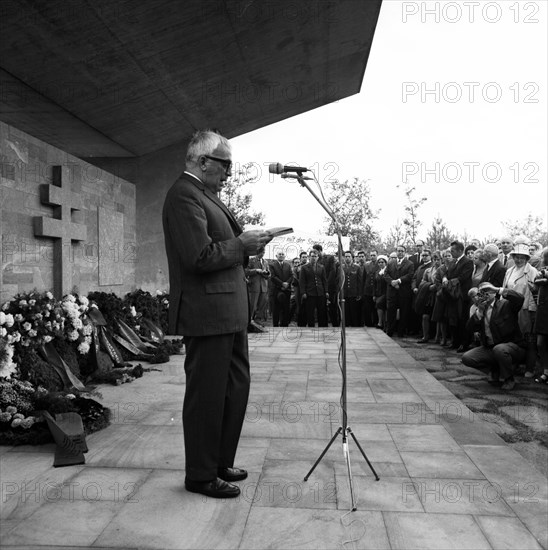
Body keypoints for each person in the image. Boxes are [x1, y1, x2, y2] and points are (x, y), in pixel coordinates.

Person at [162, 129, 272, 499]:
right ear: (202, 161)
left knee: (234, 390)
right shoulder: (183, 196)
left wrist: (248, 245)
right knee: (207, 396)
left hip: (229, 313)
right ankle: (200, 475)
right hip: (207, 314)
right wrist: (241, 245)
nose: (229, 173)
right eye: (225, 165)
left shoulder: (206, 195)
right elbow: (199, 256)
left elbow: (223, 248)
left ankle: (220, 461)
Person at [462, 282, 526, 390]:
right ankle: (495, 368)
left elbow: (520, 299)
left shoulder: (505, 304)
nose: (485, 295)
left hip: (513, 347)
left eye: (488, 291)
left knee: (499, 349)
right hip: (491, 348)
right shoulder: (480, 309)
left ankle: (509, 378)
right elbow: (469, 329)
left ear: (493, 293)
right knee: (467, 358)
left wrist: (497, 289)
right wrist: (480, 311)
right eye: (482, 293)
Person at [502, 243, 539, 377]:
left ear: (527, 258)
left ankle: (530, 367)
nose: (518, 260)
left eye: (522, 257)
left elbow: (533, 293)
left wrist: (531, 310)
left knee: (528, 338)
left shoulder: (532, 271)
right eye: (516, 257)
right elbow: (504, 289)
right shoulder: (509, 270)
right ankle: (515, 364)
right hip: (510, 308)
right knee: (513, 336)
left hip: (525, 308)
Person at [443, 240, 474, 351]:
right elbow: (446, 273)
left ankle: (463, 343)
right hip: (451, 295)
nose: (451, 252)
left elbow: (463, 277)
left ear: (460, 250)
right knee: (452, 319)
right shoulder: (452, 262)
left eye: (453, 250)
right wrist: (445, 278)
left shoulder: (467, 262)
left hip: (461, 295)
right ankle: (454, 341)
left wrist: (450, 282)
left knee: (462, 320)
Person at [384, 244, 414, 337]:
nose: (400, 253)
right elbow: (386, 274)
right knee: (391, 312)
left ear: (405, 253)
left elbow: (410, 275)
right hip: (392, 292)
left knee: (403, 312)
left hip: (404, 292)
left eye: (402, 251)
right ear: (396, 252)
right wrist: (392, 282)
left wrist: (398, 281)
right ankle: (390, 331)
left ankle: (401, 332)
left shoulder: (410, 264)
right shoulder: (390, 263)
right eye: (398, 251)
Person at [299, 248, 329, 327]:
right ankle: (311, 327)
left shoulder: (321, 267)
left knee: (321, 312)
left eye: (315, 256)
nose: (314, 258)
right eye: (312, 256)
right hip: (309, 293)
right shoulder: (304, 267)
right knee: (310, 312)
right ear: (309, 257)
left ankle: (322, 327)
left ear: (318, 257)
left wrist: (326, 291)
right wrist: (303, 292)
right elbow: (302, 282)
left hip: (320, 292)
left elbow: (324, 280)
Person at [533, 247, 548, 384]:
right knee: (540, 343)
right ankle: (545, 371)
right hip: (542, 311)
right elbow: (536, 282)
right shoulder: (542, 271)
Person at [245, 249, 270, 327]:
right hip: (254, 286)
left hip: (264, 286)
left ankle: (258, 321)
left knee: (262, 305)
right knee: (252, 305)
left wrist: (267, 273)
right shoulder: (251, 260)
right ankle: (250, 321)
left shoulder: (265, 262)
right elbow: (245, 271)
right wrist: (256, 270)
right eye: (261, 252)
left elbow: (269, 274)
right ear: (256, 252)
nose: (262, 254)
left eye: (263, 252)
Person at [269, 251, 293, 327]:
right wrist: (282, 283)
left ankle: (285, 324)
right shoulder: (272, 265)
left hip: (286, 289)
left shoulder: (288, 265)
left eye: (283, 254)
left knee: (286, 308)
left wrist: (287, 283)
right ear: (276, 256)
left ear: (285, 256)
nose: (281, 255)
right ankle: (276, 325)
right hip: (276, 289)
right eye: (280, 254)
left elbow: (291, 276)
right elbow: (272, 277)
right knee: (276, 308)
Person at [374, 255, 389, 329]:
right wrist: (374, 294)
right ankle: (381, 322)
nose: (380, 264)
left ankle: (381, 323)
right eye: (379, 262)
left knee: (380, 304)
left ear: (385, 263)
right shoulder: (377, 272)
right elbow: (375, 283)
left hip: (386, 292)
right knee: (380, 307)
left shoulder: (387, 271)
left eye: (382, 262)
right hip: (378, 293)